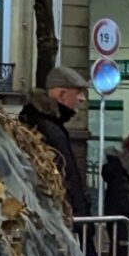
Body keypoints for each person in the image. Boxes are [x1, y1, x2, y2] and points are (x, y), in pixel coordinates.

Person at [17, 72, 91, 216]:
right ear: (62, 94)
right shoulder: (50, 129)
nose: (82, 99)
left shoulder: (40, 122)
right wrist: (80, 215)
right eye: (78, 93)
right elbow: (67, 177)